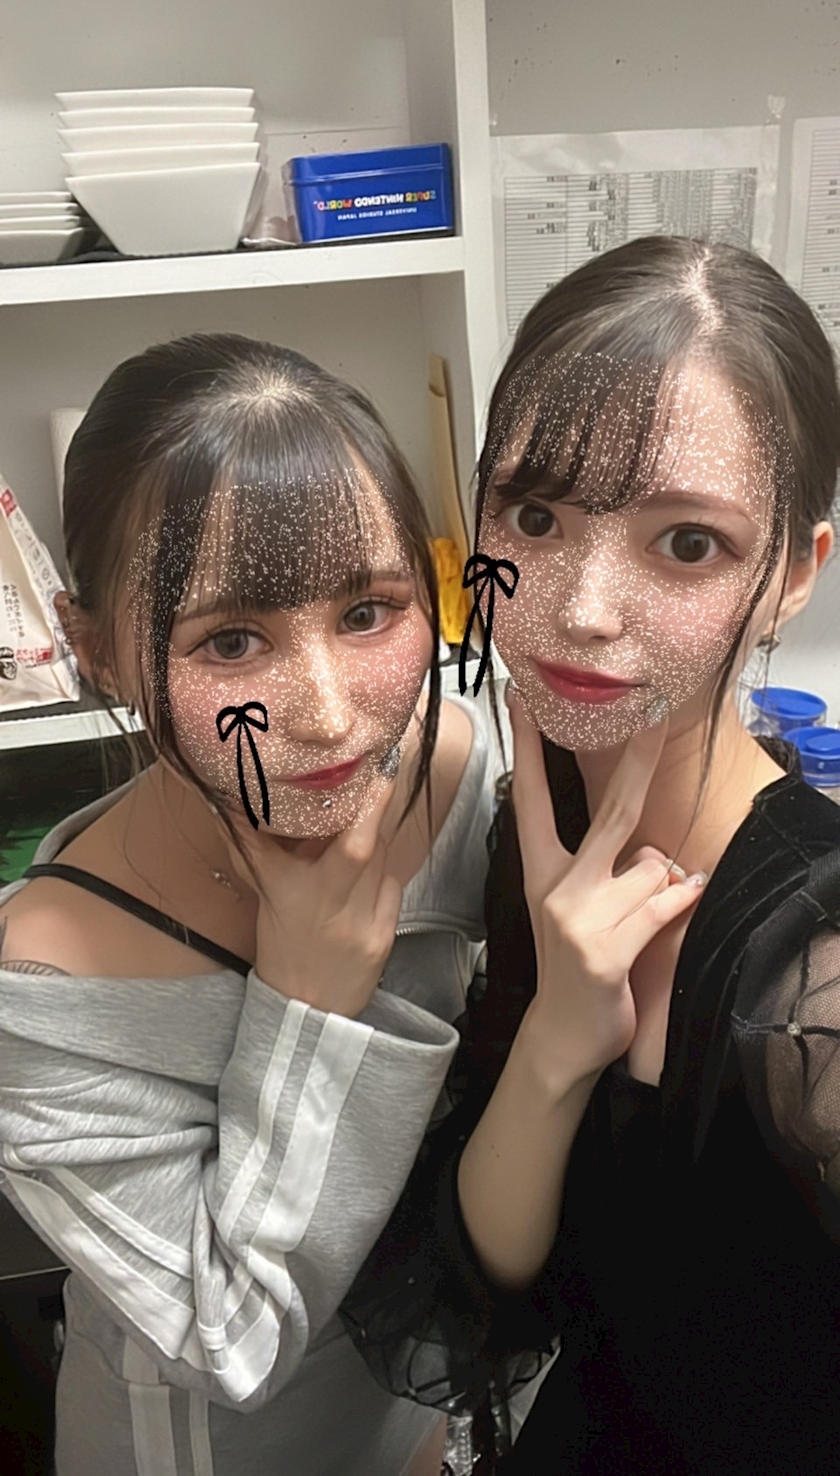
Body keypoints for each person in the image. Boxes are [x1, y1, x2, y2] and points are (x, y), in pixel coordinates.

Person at [341, 236, 840, 1475]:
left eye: (687, 543)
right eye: (535, 515)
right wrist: (561, 1035)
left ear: (793, 573)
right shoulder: (543, 819)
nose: (581, 608)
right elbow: (506, 1284)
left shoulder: (817, 976)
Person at [0, 333, 504, 1476]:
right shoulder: (42, 987)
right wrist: (307, 999)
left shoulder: (456, 770)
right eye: (232, 639)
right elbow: (232, 1339)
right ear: (95, 649)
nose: (327, 713)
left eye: (368, 611)